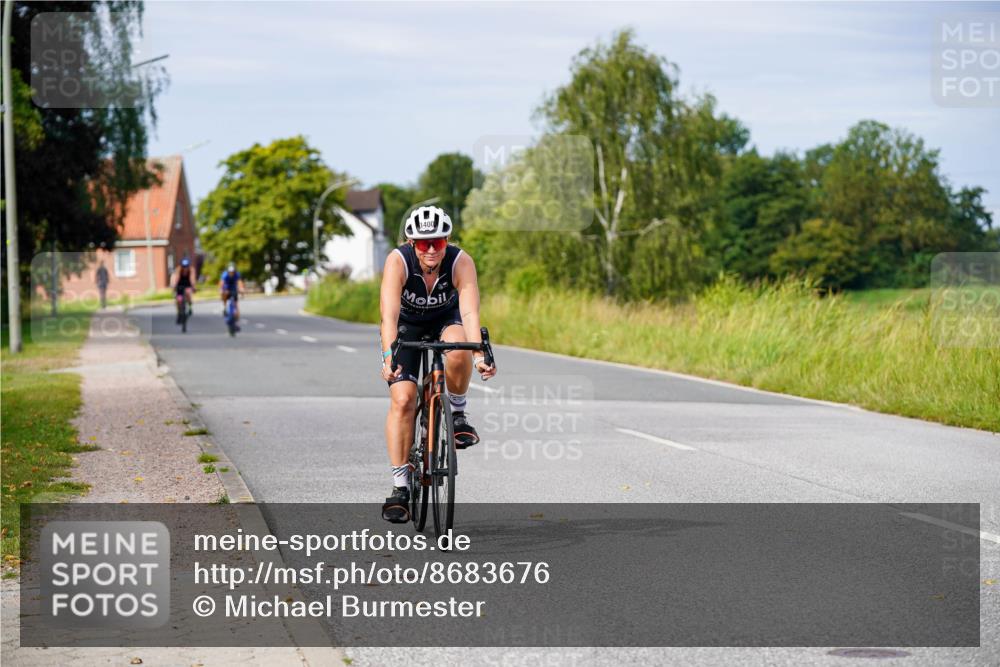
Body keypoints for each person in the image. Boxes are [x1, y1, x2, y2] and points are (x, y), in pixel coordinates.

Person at [378, 205, 496, 522]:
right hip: (407, 328)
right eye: (422, 243)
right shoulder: (397, 261)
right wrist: (389, 357)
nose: (431, 249)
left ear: (447, 240)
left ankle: (456, 412)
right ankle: (400, 486)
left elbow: (470, 314)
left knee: (458, 348)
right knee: (403, 400)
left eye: (438, 242)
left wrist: (479, 355)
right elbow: (388, 316)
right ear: (411, 242)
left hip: (447, 321)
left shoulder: (461, 261)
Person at [170, 258, 197, 322]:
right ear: (182, 266)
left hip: (188, 283)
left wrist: (193, 287)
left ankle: (190, 307)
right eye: (184, 266)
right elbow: (177, 278)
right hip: (180, 283)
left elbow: (192, 279)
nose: (185, 268)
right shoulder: (178, 269)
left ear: (189, 266)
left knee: (188, 293)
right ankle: (179, 313)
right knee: (179, 299)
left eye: (186, 266)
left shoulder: (191, 270)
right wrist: (174, 287)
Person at [219, 262, 245, 327]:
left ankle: (237, 321)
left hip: (233, 288)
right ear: (228, 271)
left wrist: (241, 289)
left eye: (232, 271)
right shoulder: (225, 275)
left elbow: (239, 282)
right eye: (230, 272)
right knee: (224, 294)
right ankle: (224, 307)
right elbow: (222, 283)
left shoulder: (237, 274)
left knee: (236, 305)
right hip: (226, 287)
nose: (231, 273)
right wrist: (221, 290)